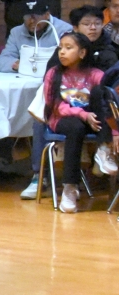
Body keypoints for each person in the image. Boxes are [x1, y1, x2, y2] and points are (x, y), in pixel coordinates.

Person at [44, 32, 118, 213]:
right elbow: (54, 105)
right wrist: (81, 115)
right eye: (61, 47)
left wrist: (115, 132)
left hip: (92, 119)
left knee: (102, 93)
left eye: (68, 48)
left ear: (83, 53)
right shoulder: (54, 74)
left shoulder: (95, 74)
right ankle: (70, 188)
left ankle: (103, 148)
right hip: (62, 119)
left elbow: (110, 102)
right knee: (75, 127)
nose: (62, 52)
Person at [0, 0, 72, 73]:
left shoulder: (64, 30)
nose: (32, 21)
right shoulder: (16, 32)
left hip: (56, 77)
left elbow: (71, 59)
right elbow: (2, 61)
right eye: (27, 17)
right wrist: (16, 65)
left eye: (36, 16)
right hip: (27, 79)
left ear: (47, 15)